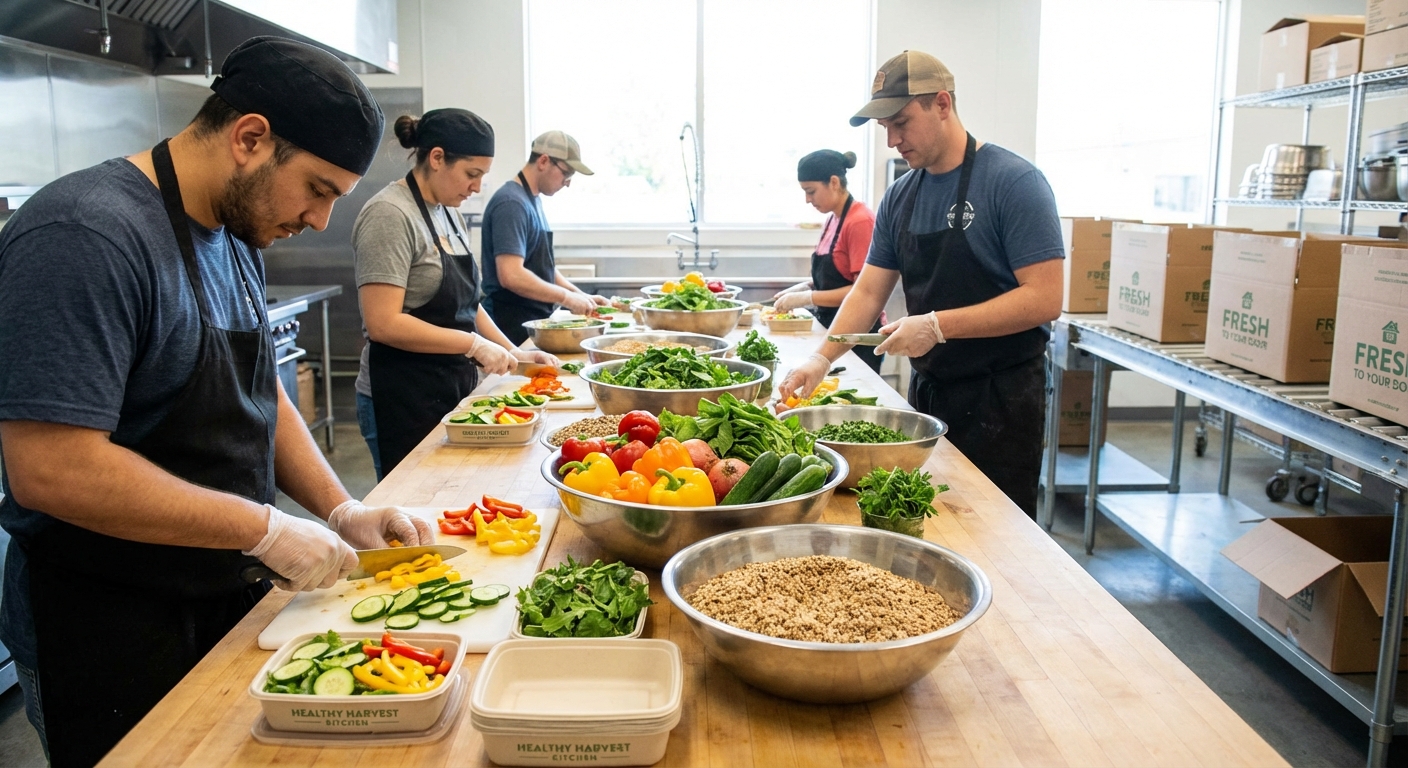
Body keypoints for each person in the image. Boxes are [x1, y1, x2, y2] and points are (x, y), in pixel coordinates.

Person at [0, 37, 434, 767]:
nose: (321, 219)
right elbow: (52, 469)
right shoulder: (86, 235)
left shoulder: (231, 236)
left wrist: (340, 509)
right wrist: (262, 527)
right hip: (107, 624)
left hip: (219, 591)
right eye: (319, 190)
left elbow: (256, 388)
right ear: (250, 138)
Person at [778, 50, 1064, 516]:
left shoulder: (1014, 183)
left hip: (1002, 397)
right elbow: (869, 291)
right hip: (930, 390)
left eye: (901, 123)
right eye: (884, 129)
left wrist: (936, 325)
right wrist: (820, 358)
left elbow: (1044, 298)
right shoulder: (901, 196)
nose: (893, 141)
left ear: (943, 104)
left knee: (998, 531)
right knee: (937, 520)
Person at [352, 110, 560, 479]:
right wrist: (473, 345)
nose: (477, 187)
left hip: (449, 386)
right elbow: (383, 323)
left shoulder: (449, 213)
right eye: (471, 174)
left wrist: (515, 352)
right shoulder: (390, 214)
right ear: (436, 158)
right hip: (401, 396)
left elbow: (469, 303)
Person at [481, 130, 609, 345]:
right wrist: (566, 298)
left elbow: (544, 269)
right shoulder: (511, 204)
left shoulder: (533, 201)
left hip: (532, 319)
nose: (567, 183)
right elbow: (511, 275)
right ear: (543, 161)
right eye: (566, 173)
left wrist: (583, 299)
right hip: (510, 324)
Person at [773, 149, 884, 373]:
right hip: (833, 328)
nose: (807, 200)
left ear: (833, 182)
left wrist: (806, 297)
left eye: (811, 191)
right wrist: (804, 287)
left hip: (856, 335)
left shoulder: (860, 221)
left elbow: (863, 291)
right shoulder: (833, 219)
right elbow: (833, 277)